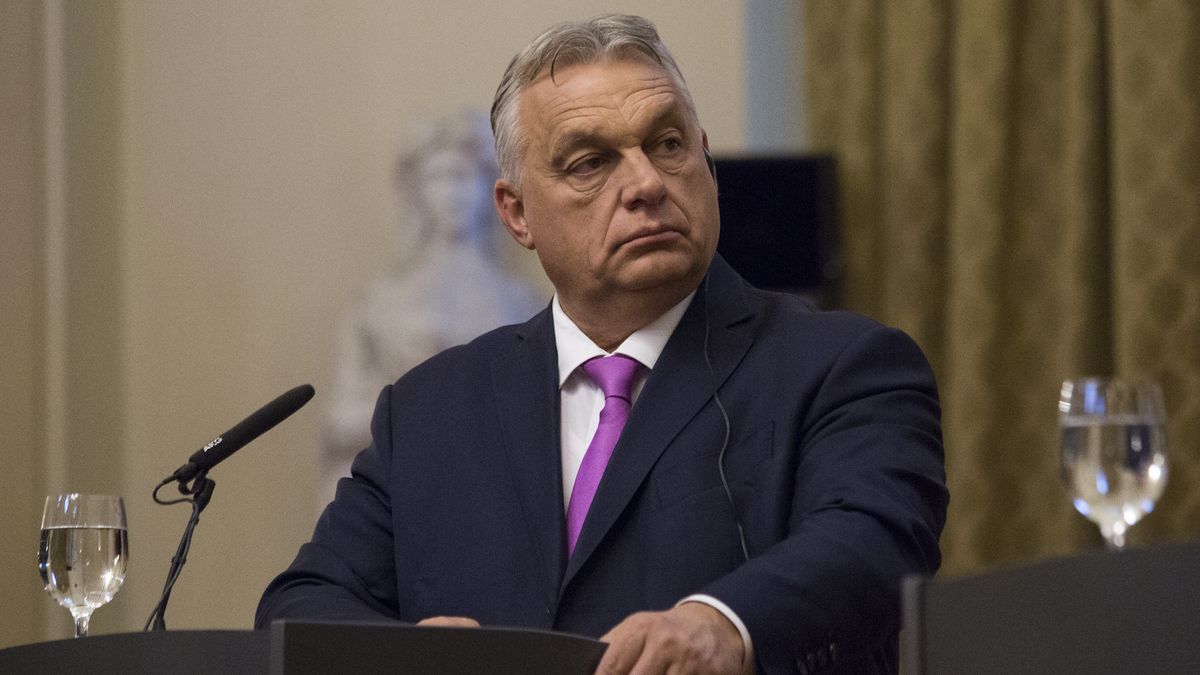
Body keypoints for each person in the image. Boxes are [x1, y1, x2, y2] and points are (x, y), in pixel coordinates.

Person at [257, 14, 948, 675]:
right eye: (591, 162)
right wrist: (400, 655)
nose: (646, 184)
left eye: (668, 144)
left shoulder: (845, 365)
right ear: (517, 212)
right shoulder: (430, 407)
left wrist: (722, 622)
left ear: (705, 162)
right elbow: (300, 607)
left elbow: (874, 544)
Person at [322, 110, 545, 502]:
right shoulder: (377, 304)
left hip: (496, 486)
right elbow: (341, 420)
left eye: (462, 176)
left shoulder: (521, 301)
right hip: (403, 480)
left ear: (490, 187)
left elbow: (544, 415)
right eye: (437, 178)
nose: (452, 193)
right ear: (416, 191)